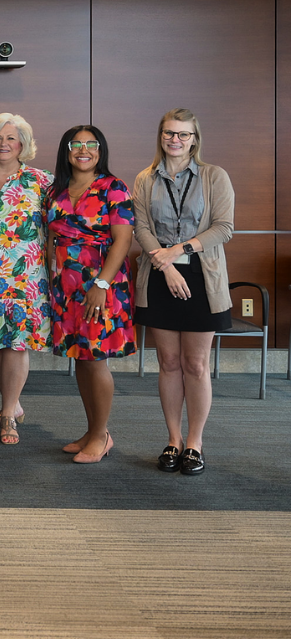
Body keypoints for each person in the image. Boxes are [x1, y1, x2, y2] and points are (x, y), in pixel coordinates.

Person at [133, 109, 233, 476]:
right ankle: (173, 439)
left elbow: (224, 228)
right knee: (169, 363)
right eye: (169, 134)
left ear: (195, 139)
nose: (175, 140)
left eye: (183, 135)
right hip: (160, 277)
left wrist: (179, 251)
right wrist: (167, 266)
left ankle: (195, 442)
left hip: (202, 279)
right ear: (160, 136)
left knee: (195, 364)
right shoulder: (145, 178)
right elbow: (141, 228)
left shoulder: (213, 176)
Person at [47, 125, 135, 464]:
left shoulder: (114, 188)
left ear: (101, 150)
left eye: (91, 144)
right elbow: (51, 239)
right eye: (76, 144)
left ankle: (102, 435)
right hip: (66, 289)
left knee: (96, 360)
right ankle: (92, 429)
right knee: (81, 359)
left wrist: (100, 286)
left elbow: (123, 241)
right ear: (66, 150)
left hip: (101, 285)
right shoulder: (56, 190)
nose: (84, 150)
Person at [0, 113, 53, 446]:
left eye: (11, 138)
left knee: (17, 343)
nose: (3, 144)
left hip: (26, 276)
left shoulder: (41, 180)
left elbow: (59, 226)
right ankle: (13, 403)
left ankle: (8, 415)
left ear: (23, 144)